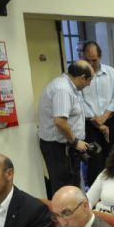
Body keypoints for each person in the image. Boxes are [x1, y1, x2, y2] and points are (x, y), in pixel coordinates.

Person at [38, 60, 94, 198]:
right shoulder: (63, 89)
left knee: (72, 185)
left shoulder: (68, 87)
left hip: (64, 146)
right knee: (65, 189)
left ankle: (73, 216)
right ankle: (65, 218)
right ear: (82, 77)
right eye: (89, 80)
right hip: (59, 147)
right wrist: (75, 142)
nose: (89, 84)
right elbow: (60, 122)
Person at [80, 41, 114, 186]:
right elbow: (80, 100)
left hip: (110, 120)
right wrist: (97, 123)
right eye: (87, 60)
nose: (90, 63)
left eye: (94, 60)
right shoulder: (80, 75)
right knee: (95, 160)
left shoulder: (111, 72)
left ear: (100, 56)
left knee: (113, 156)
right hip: (90, 124)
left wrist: (104, 118)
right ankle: (95, 194)